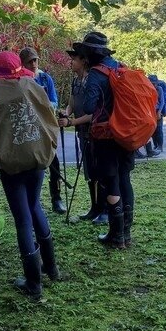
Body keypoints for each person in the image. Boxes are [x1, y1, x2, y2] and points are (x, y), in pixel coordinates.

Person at [0, 52, 61, 299]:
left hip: (12, 163)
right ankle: (51, 268)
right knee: (35, 206)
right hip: (38, 158)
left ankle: (33, 282)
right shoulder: (33, 85)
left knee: (22, 219)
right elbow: (49, 114)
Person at [82, 31, 135, 249]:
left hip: (106, 135)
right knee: (125, 179)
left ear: (91, 54)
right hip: (126, 132)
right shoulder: (120, 66)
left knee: (111, 182)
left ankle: (116, 236)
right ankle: (126, 233)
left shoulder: (96, 74)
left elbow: (88, 107)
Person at [58, 43, 106, 223]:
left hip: (94, 132)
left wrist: (71, 122)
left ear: (84, 61)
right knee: (88, 171)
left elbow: (93, 113)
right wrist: (66, 113)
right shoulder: (75, 81)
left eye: (74, 59)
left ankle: (102, 209)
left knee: (97, 170)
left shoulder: (90, 80)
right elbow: (71, 102)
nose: (71, 62)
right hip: (82, 132)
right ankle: (94, 208)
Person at [19, 46, 66, 214]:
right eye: (29, 61)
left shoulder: (46, 79)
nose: (33, 64)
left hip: (46, 128)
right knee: (31, 166)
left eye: (35, 60)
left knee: (54, 162)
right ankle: (32, 200)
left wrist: (42, 107)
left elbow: (53, 101)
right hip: (28, 129)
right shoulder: (19, 80)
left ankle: (57, 198)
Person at [144, 74, 164, 158]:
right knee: (152, 130)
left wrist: (159, 111)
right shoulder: (146, 89)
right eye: (152, 83)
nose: (154, 85)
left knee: (159, 129)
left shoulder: (159, 89)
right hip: (150, 112)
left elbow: (162, 102)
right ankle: (154, 146)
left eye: (155, 83)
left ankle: (159, 146)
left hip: (157, 111)